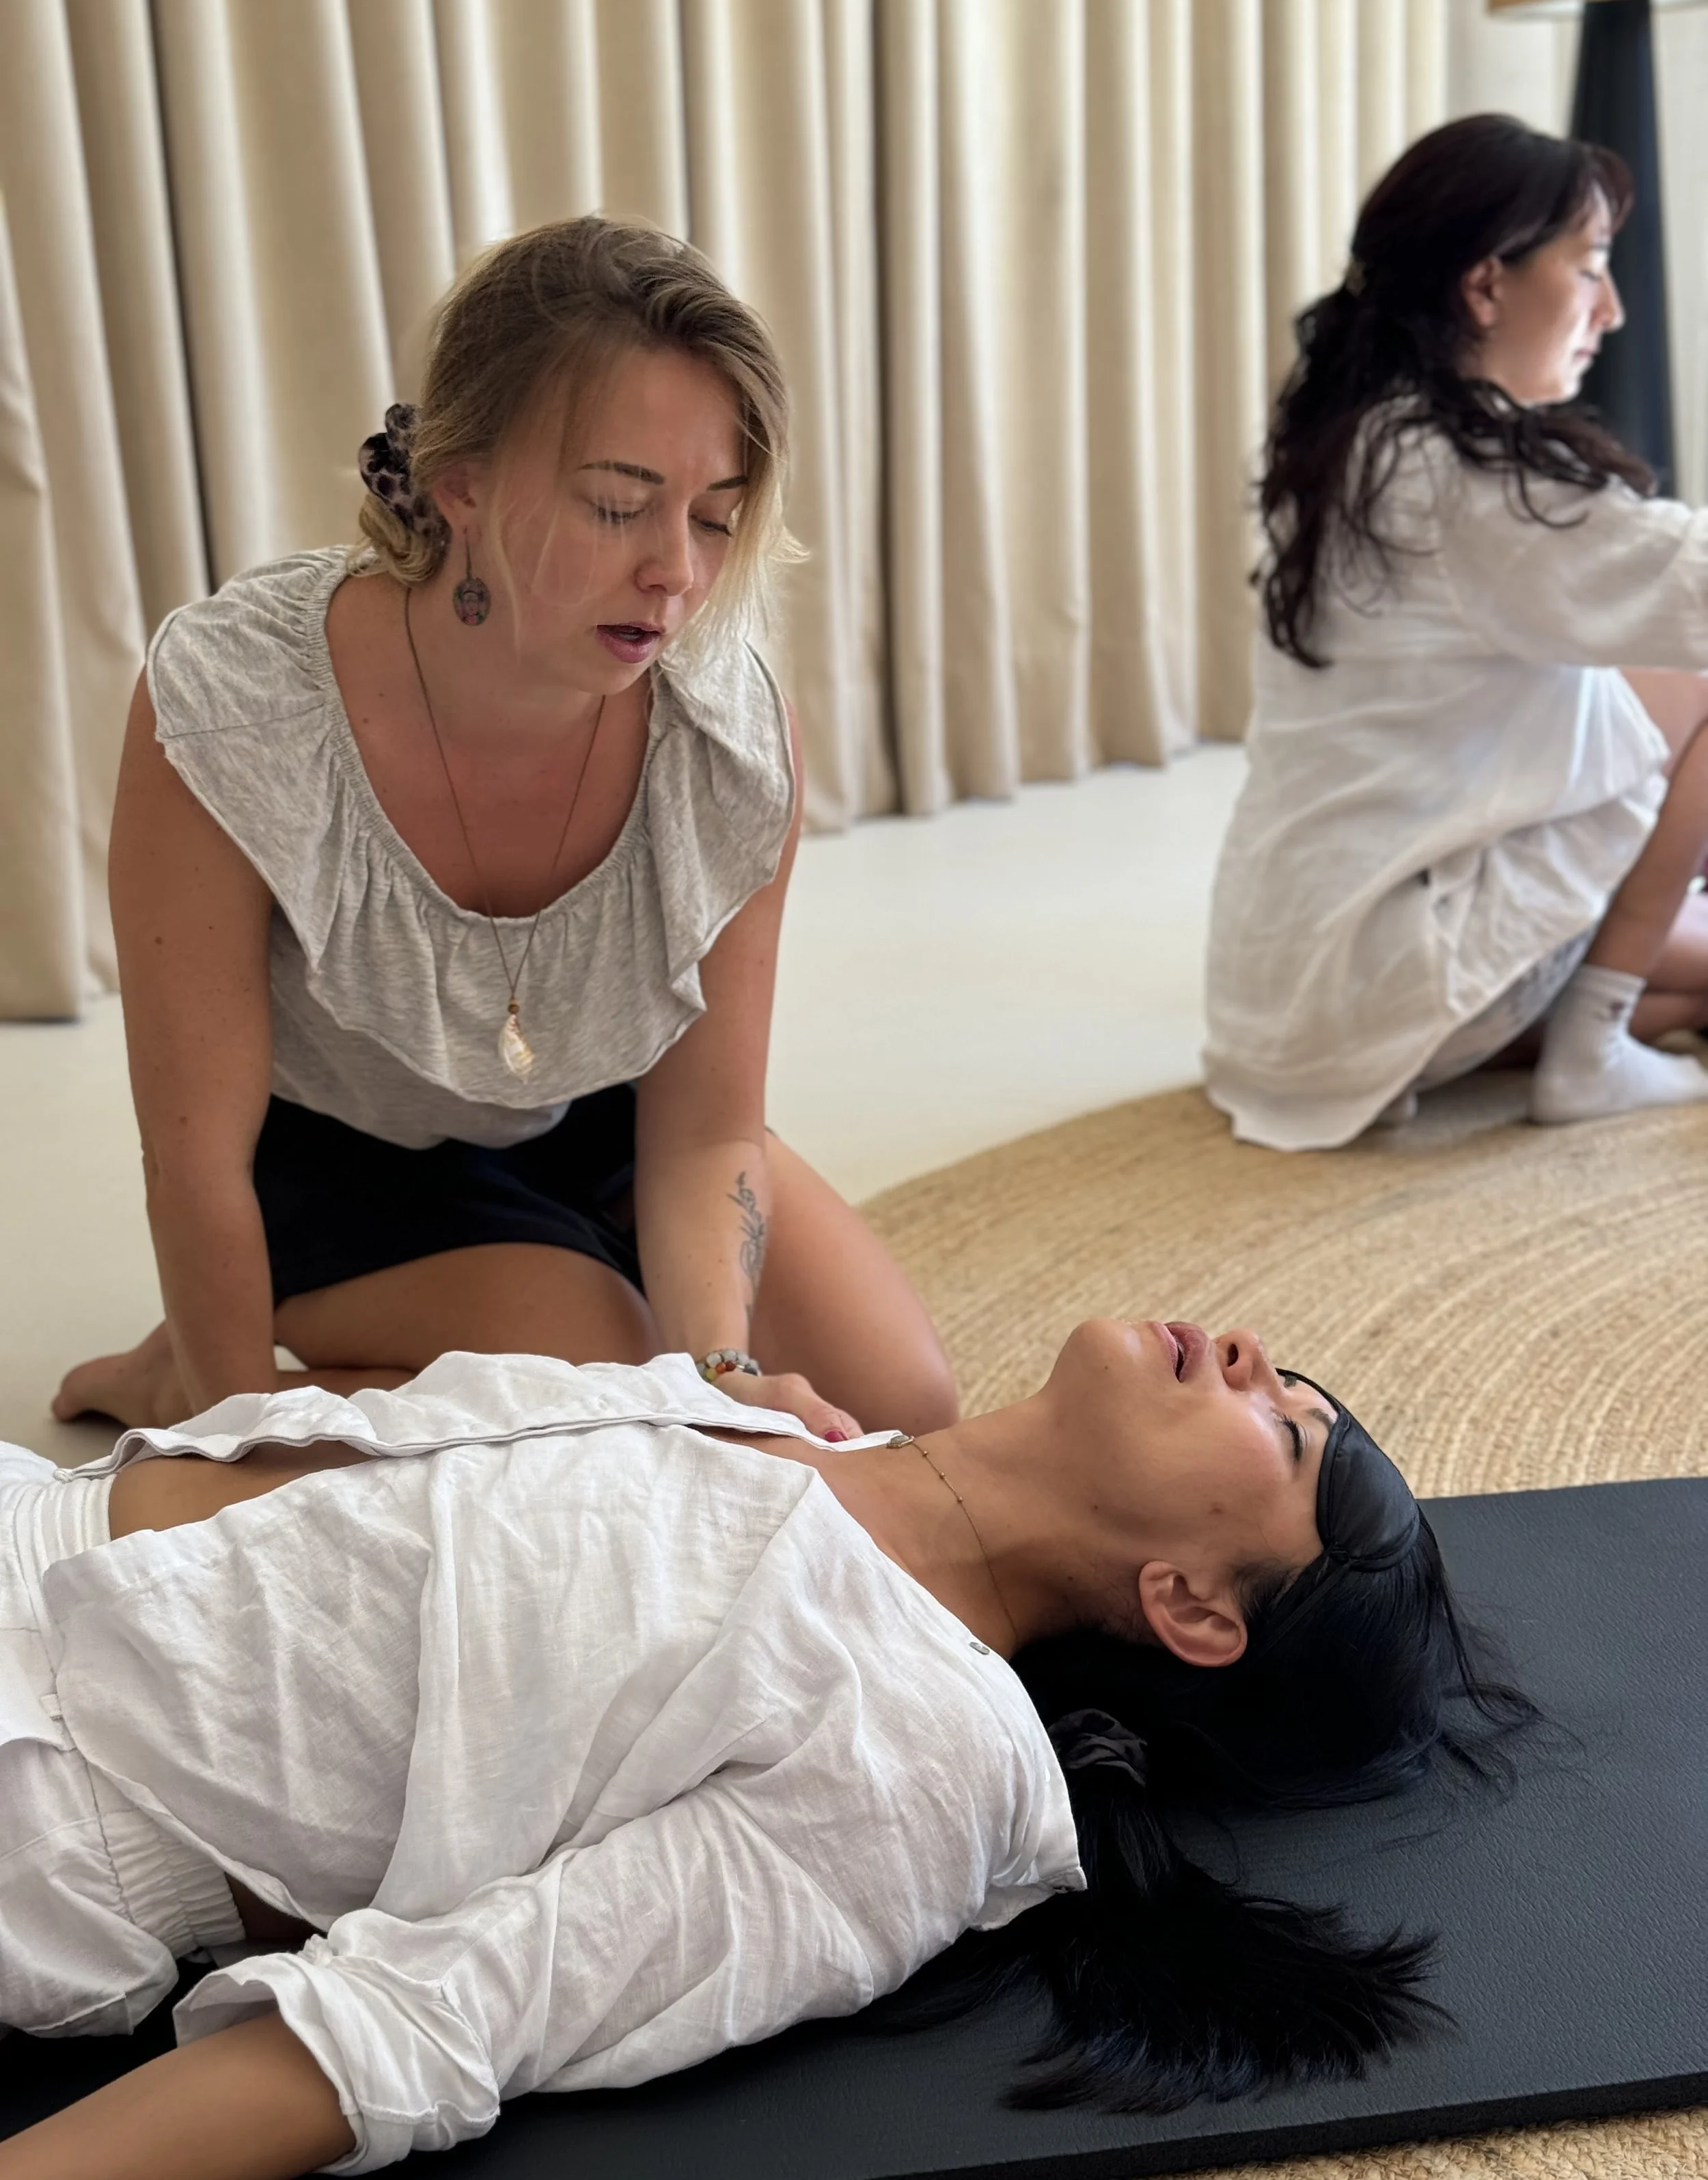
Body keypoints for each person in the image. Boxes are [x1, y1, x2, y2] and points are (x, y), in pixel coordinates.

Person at [0, 1315, 1524, 2179]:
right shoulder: (785, 1416)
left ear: (1191, 1607)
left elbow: (455, 2014)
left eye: (1283, 1434)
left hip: (50, 1799)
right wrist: (706, 1382)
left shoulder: (922, 1760)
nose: (1255, 1351)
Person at [51, 215, 953, 1442]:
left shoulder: (727, 732)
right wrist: (229, 1425)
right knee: (604, 1373)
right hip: (343, 1153)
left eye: (712, 515)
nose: (676, 576)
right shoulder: (235, 705)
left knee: (901, 1402)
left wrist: (725, 1377)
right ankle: (180, 1373)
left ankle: (573, 1318)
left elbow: (704, 1134)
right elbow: (195, 1155)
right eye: (619, 506)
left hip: (596, 1109)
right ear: (460, 485)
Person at [1205, 113, 1708, 1151]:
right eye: (1592, 267)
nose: (1610, 310)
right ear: (1486, 286)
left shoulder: (1357, 439)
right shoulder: (1468, 477)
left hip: (1286, 995)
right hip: (1386, 959)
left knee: (1679, 944)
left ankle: (1587, 1020)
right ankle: (1594, 1044)